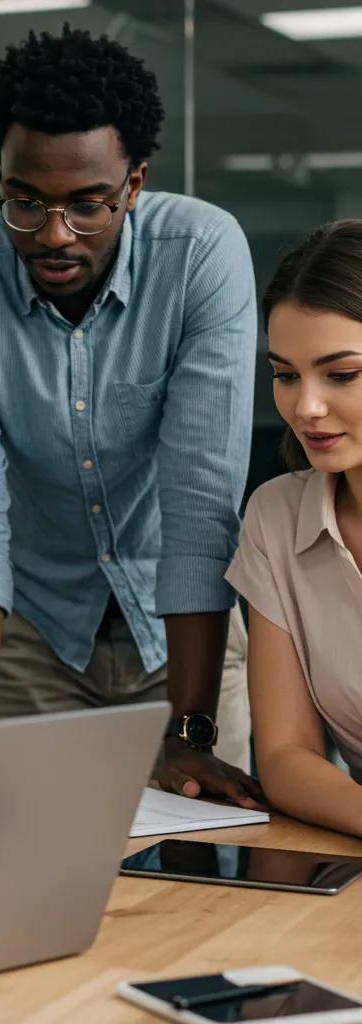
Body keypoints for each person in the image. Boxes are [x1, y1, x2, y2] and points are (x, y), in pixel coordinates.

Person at [0, 26, 263, 806]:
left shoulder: (201, 255)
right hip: (35, 633)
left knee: (206, 890)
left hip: (182, 638)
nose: (55, 235)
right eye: (24, 202)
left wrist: (189, 733)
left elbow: (200, 508)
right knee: (18, 868)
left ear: (133, 185)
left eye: (87, 205)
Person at [227, 220, 362, 836]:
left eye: (342, 374)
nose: (306, 406)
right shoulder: (276, 517)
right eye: (286, 374)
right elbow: (285, 758)